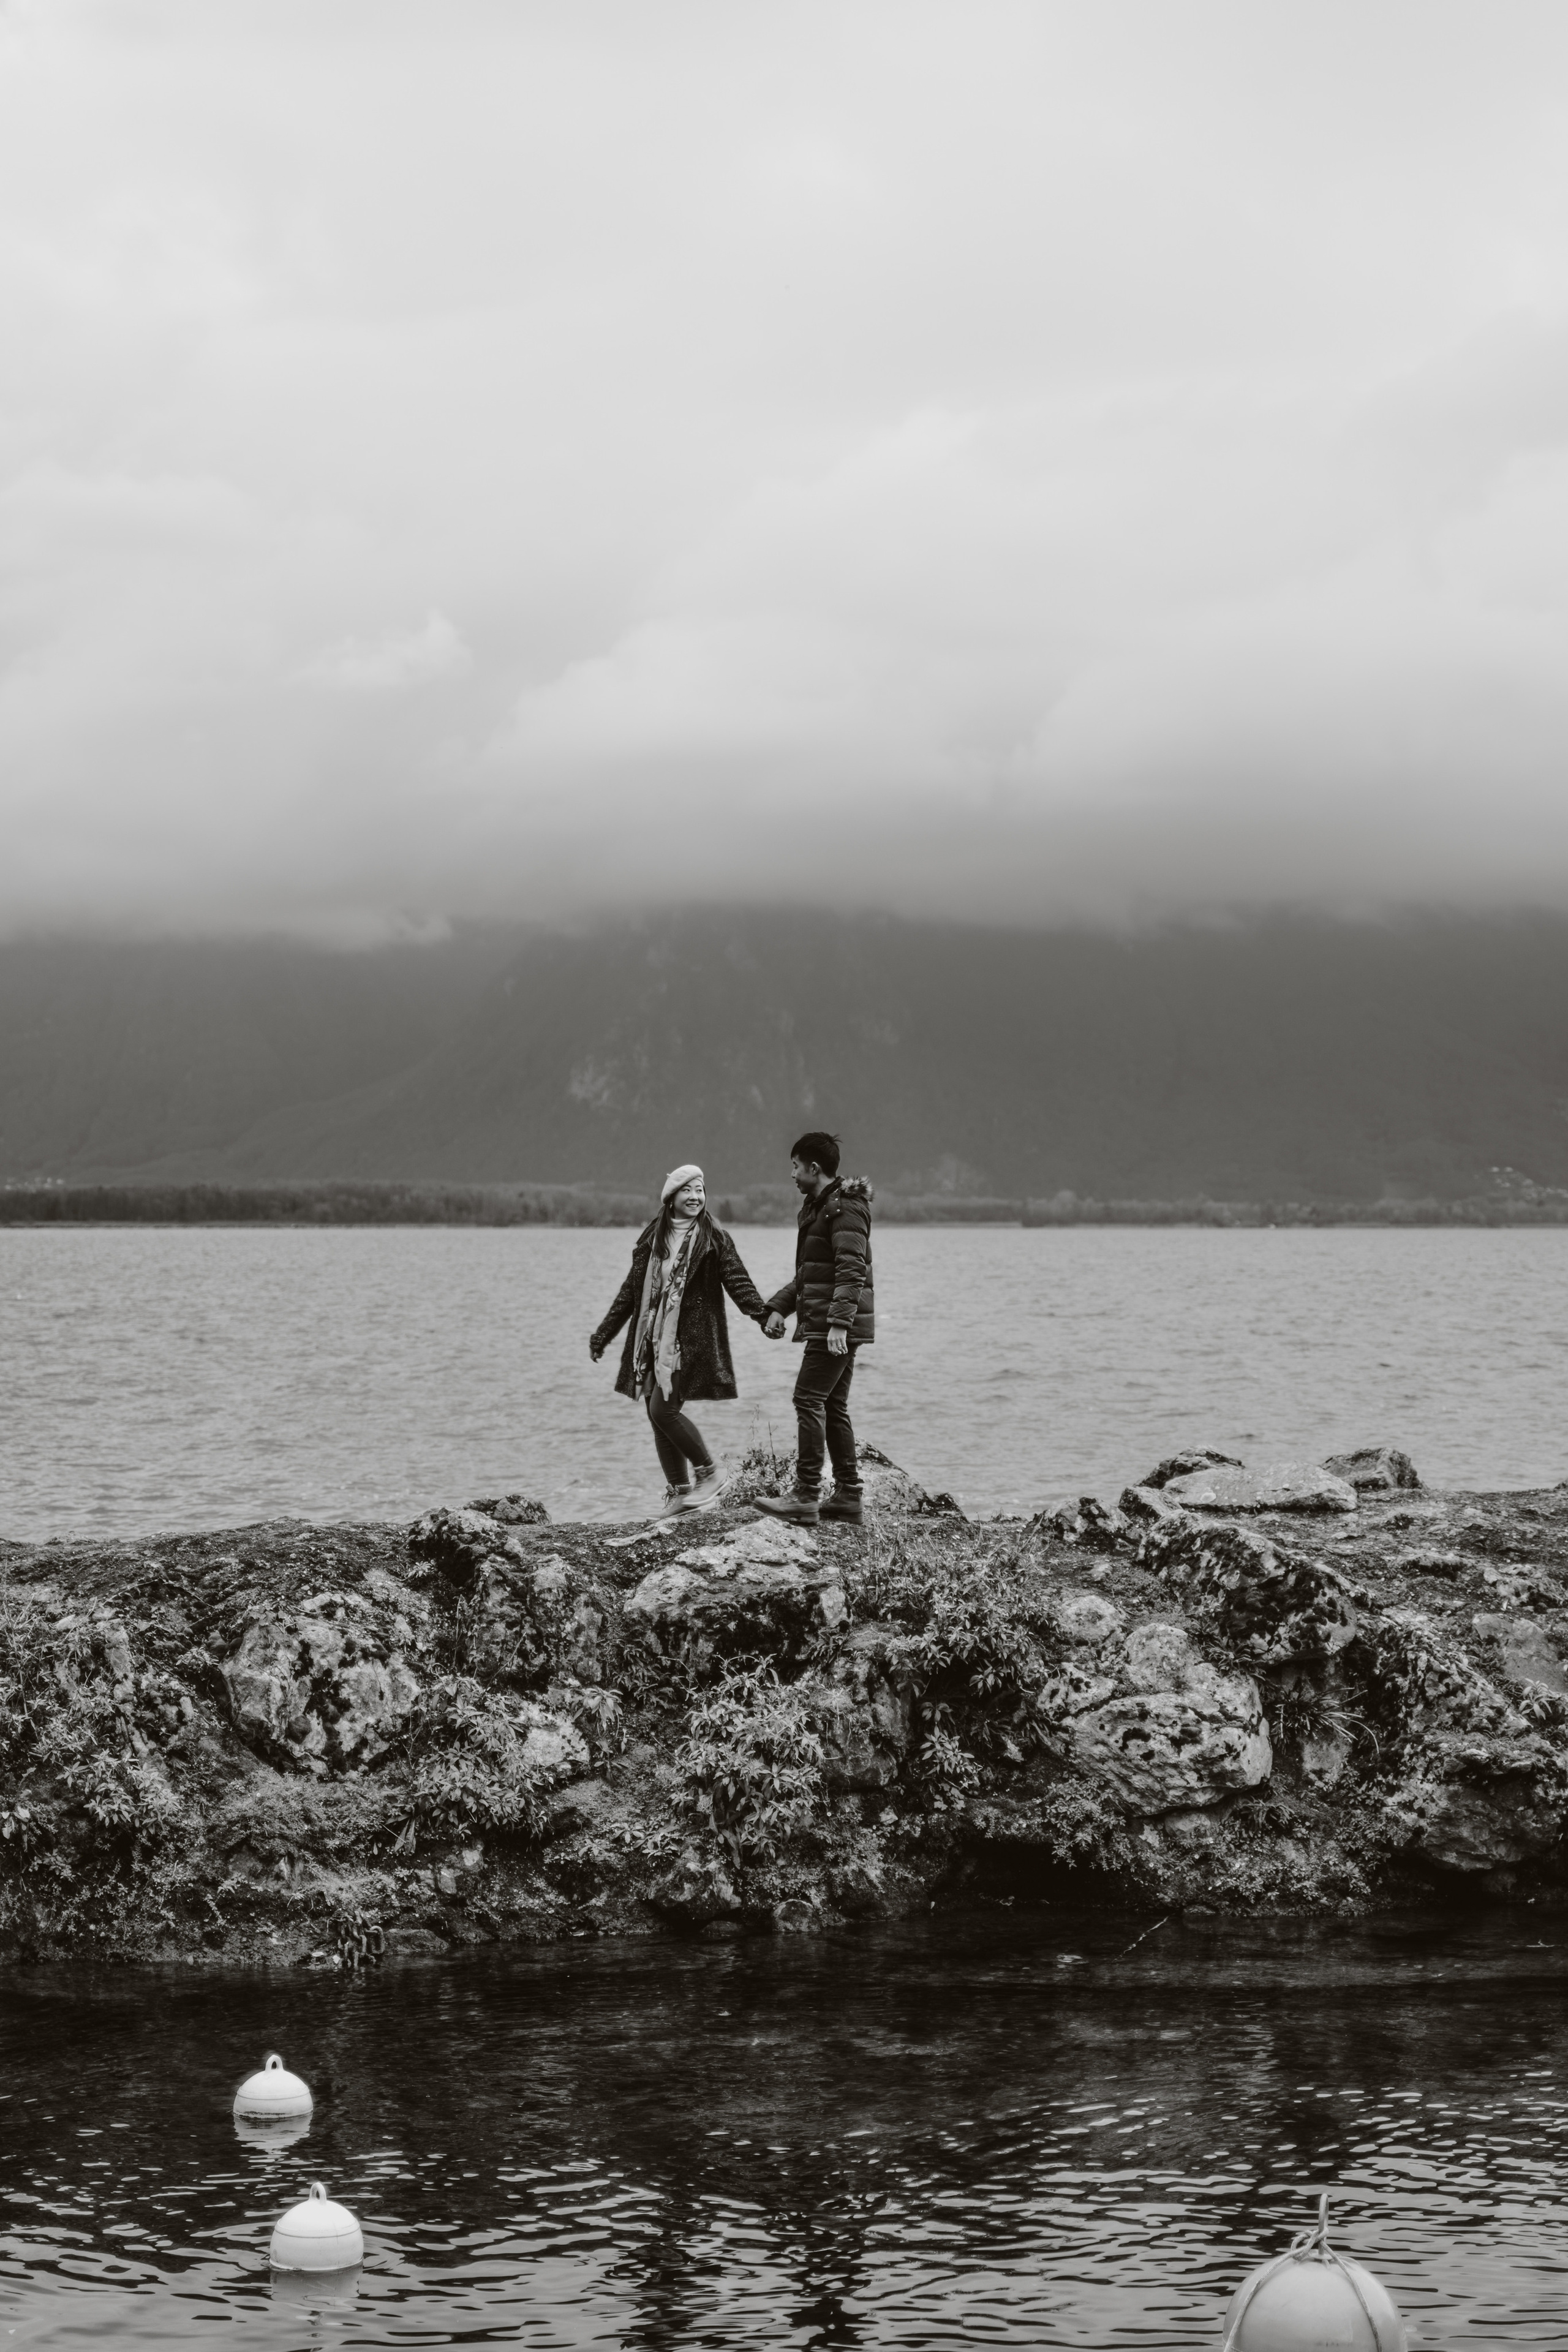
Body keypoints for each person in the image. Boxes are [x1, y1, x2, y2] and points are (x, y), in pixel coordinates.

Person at [589, 1163, 778, 1517]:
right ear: (671, 1198)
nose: (695, 1197)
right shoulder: (653, 1238)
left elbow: (738, 1281)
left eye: (700, 1190)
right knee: (655, 1412)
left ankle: (710, 1472)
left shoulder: (713, 1237)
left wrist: (763, 1315)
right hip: (652, 1338)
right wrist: (604, 1334)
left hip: (689, 1339)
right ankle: (680, 1494)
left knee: (664, 1409)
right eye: (687, 1191)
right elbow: (631, 1293)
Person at [755, 1131, 874, 1525]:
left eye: (795, 1166)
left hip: (834, 1326)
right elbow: (811, 1277)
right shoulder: (820, 1208)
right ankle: (848, 1497)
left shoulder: (844, 1209)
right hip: (832, 1322)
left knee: (808, 1399)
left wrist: (838, 1324)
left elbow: (851, 1269)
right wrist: (778, 1308)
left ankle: (806, 1496)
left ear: (814, 1168)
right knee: (832, 1404)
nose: (791, 1174)